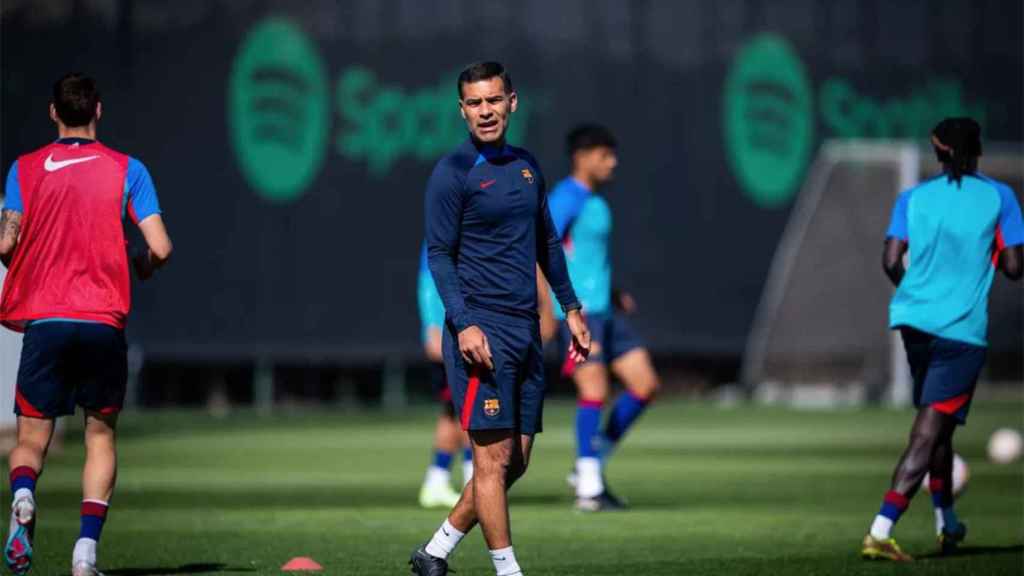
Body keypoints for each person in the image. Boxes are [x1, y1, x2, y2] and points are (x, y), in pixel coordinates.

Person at [409, 62, 591, 576]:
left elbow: (547, 244)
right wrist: (463, 323)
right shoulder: (451, 172)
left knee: (516, 463)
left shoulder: (529, 166)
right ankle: (507, 571)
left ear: (512, 102)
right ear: (462, 110)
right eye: (474, 103)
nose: (485, 111)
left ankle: (435, 551)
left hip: (526, 330)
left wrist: (571, 308)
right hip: (479, 331)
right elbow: (439, 255)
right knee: (490, 462)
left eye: (493, 100)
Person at [0, 73, 173, 576]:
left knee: (31, 441)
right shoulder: (128, 169)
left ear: (53, 113)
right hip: (101, 322)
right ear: (98, 109)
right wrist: (141, 264)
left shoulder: (25, 169)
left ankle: (26, 493)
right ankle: (84, 555)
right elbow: (160, 246)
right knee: (100, 438)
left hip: (46, 322)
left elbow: (6, 245)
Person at [862, 117, 1022, 561]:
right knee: (927, 433)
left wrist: (917, 292)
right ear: (979, 150)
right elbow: (1013, 267)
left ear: (938, 151)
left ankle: (947, 524)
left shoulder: (912, 198)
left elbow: (891, 258)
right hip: (960, 331)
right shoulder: (999, 197)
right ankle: (880, 529)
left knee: (940, 429)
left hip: (914, 322)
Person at [541, 125, 660, 511]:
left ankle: (590, 463)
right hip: (576, 315)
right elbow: (538, 253)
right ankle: (589, 489)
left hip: (604, 312)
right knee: (593, 389)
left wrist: (611, 293)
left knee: (645, 384)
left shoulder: (596, 201)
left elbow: (585, 259)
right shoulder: (565, 198)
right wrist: (547, 309)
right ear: (582, 156)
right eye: (605, 155)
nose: (613, 162)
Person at [417, 245, 474, 508]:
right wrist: (432, 326)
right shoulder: (446, 224)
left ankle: (437, 480)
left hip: (463, 330)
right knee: (467, 408)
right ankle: (472, 481)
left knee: (454, 410)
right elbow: (428, 280)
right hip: (450, 334)